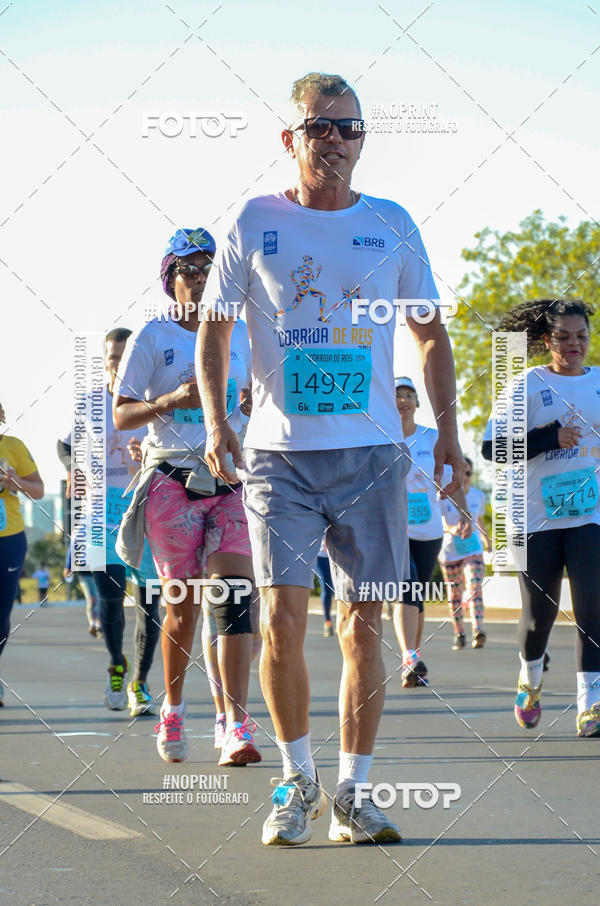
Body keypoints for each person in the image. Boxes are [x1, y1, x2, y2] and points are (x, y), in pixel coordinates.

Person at [197, 72, 465, 846]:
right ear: (292, 138)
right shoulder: (254, 221)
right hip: (280, 455)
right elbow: (215, 329)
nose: (336, 142)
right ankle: (295, 780)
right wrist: (218, 420)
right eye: (320, 128)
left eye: (350, 129)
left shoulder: (392, 224)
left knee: (361, 623)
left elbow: (431, 334)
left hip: (374, 457)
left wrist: (445, 433)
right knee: (281, 614)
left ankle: (353, 790)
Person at [114, 227, 261, 767]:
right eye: (188, 273)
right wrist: (173, 399)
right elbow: (122, 414)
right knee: (182, 608)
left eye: (207, 272)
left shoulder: (240, 334)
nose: (198, 282)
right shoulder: (152, 338)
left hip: (230, 481)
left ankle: (234, 724)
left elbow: (259, 398)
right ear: (170, 280)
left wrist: (248, 404)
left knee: (233, 597)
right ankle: (173, 709)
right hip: (171, 482)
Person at [483, 299, 600, 737]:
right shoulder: (525, 385)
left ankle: (591, 704)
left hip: (591, 513)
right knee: (538, 616)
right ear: (548, 340)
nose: (575, 345)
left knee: (594, 607)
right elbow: (492, 449)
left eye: (582, 336)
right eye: (565, 337)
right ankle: (529, 679)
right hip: (536, 516)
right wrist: (549, 437)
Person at [57, 329, 162, 716]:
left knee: (151, 606)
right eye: (112, 357)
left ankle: (140, 682)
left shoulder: (154, 399)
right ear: (104, 361)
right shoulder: (91, 404)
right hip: (101, 517)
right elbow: (64, 445)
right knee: (110, 605)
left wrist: (149, 453)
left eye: (125, 355)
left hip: (148, 513)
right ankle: (117, 663)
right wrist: (73, 470)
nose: (118, 362)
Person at [392, 377, 470, 686]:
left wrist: (463, 512)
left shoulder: (432, 438)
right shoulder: (380, 438)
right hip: (392, 528)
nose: (404, 401)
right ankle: (410, 655)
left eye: (409, 395)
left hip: (429, 530)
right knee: (405, 587)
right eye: (398, 395)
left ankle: (410, 659)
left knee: (417, 595)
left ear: (417, 403)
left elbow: (455, 476)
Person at [0, 403, 44, 706]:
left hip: (9, 538)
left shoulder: (12, 446)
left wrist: (16, 482)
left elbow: (38, 489)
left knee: (1, 616)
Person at [439, 457, 490, 650]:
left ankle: (478, 630)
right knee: (455, 594)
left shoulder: (478, 495)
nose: (465, 477)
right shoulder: (444, 495)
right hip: (450, 552)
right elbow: (441, 521)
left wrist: (487, 541)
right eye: (462, 472)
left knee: (475, 587)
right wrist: (452, 529)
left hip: (473, 549)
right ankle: (459, 632)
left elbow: (480, 521)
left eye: (469, 473)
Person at [315, 536, 335, 637]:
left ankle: (344, 619)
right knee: (326, 587)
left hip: (337, 554)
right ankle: (327, 621)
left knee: (338, 589)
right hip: (320, 556)